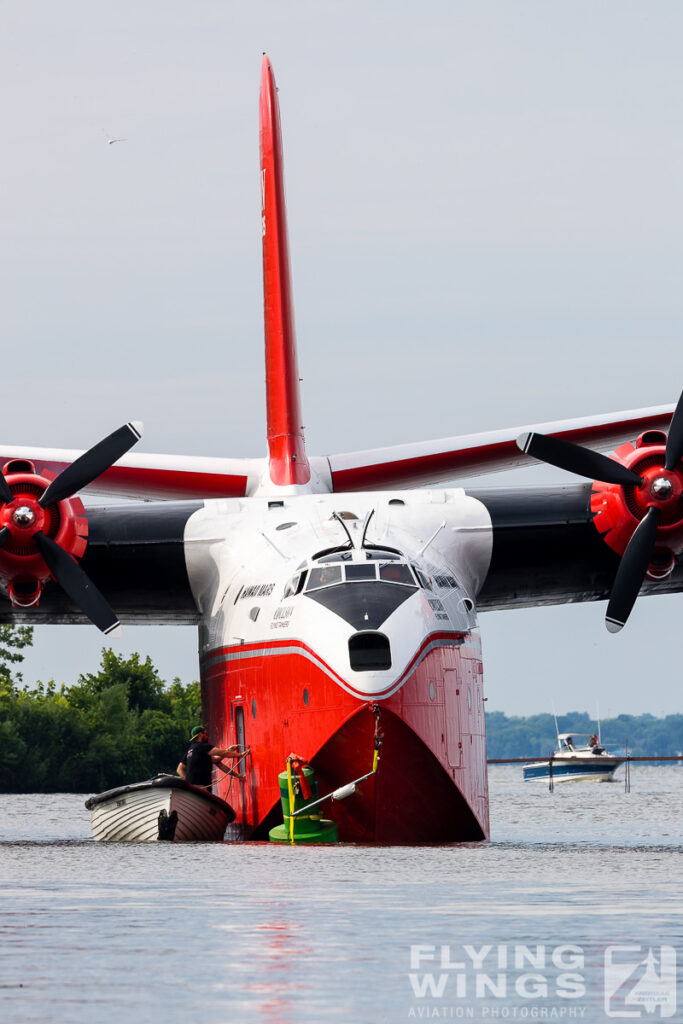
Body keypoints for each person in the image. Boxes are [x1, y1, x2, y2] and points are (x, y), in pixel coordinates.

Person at [177, 725, 244, 789]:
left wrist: (189, 783)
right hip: (201, 787)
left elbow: (179, 769)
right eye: (206, 734)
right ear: (201, 734)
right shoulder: (202, 746)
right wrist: (240, 755)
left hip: (194, 788)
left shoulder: (191, 750)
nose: (207, 736)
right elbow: (223, 753)